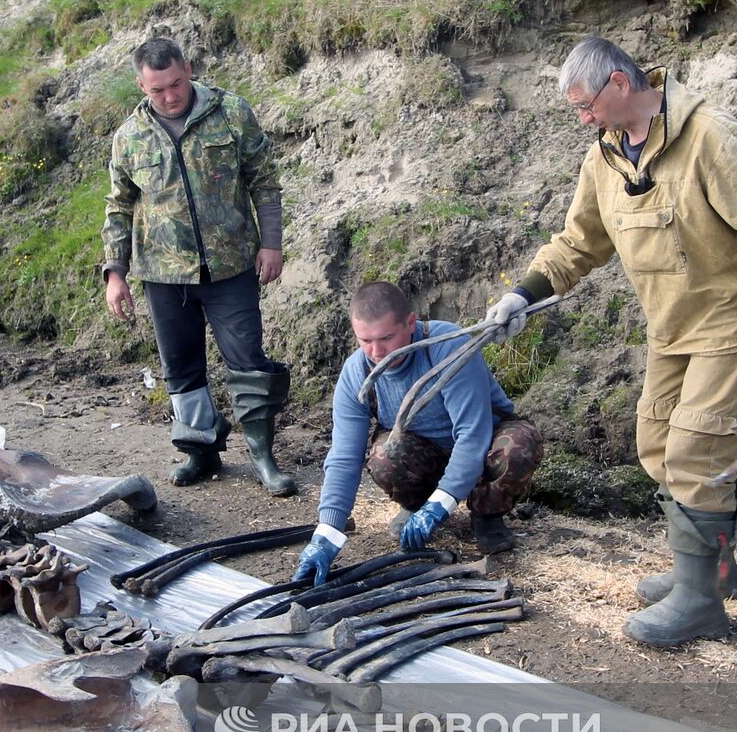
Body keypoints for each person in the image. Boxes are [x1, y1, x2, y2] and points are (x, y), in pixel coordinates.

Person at [483, 37, 737, 648]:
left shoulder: (711, 138)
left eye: (585, 106)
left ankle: (702, 604)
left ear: (618, 83)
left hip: (732, 321)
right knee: (657, 443)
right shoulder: (606, 158)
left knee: (696, 453)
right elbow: (577, 243)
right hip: (670, 328)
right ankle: (712, 566)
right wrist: (521, 295)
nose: (582, 119)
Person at [101, 37, 295, 496]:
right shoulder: (129, 136)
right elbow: (119, 206)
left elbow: (264, 179)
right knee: (181, 369)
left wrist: (271, 243)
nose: (170, 96)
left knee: (248, 362)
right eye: (157, 90)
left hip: (230, 267)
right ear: (141, 86)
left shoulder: (231, 112)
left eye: (176, 83)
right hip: (163, 274)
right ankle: (200, 450)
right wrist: (115, 272)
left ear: (188, 69)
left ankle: (262, 456)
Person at [293, 282, 544, 586]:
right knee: (385, 454)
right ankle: (416, 506)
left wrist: (442, 504)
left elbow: (472, 434)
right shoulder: (356, 373)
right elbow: (344, 457)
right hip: (426, 453)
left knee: (518, 445)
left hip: (482, 444)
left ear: (410, 323)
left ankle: (487, 513)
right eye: (365, 340)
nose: (376, 352)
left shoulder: (448, 347)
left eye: (386, 338)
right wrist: (326, 535)